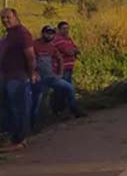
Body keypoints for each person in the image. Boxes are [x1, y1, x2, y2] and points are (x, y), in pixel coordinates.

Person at [31, 25, 85, 123]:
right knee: (37, 102)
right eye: (48, 33)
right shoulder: (34, 45)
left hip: (51, 77)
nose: (50, 36)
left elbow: (59, 58)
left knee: (69, 88)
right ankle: (34, 124)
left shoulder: (51, 46)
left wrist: (59, 73)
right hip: (39, 79)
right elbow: (29, 60)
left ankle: (74, 109)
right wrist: (33, 73)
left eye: (52, 34)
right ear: (42, 33)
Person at [0, 8, 36, 151]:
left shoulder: (22, 33)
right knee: (9, 109)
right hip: (7, 78)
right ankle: (13, 138)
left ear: (16, 17)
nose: (5, 20)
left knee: (19, 109)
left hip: (18, 78)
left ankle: (19, 140)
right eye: (2, 18)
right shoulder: (9, 35)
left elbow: (31, 57)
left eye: (8, 17)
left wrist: (32, 73)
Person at [51, 20, 79, 113]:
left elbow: (77, 49)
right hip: (62, 68)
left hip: (69, 67)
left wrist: (74, 50)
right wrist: (73, 51)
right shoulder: (58, 39)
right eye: (64, 28)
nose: (66, 30)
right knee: (63, 89)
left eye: (67, 28)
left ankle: (64, 108)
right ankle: (61, 109)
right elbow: (69, 51)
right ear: (58, 29)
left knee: (66, 89)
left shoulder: (68, 39)